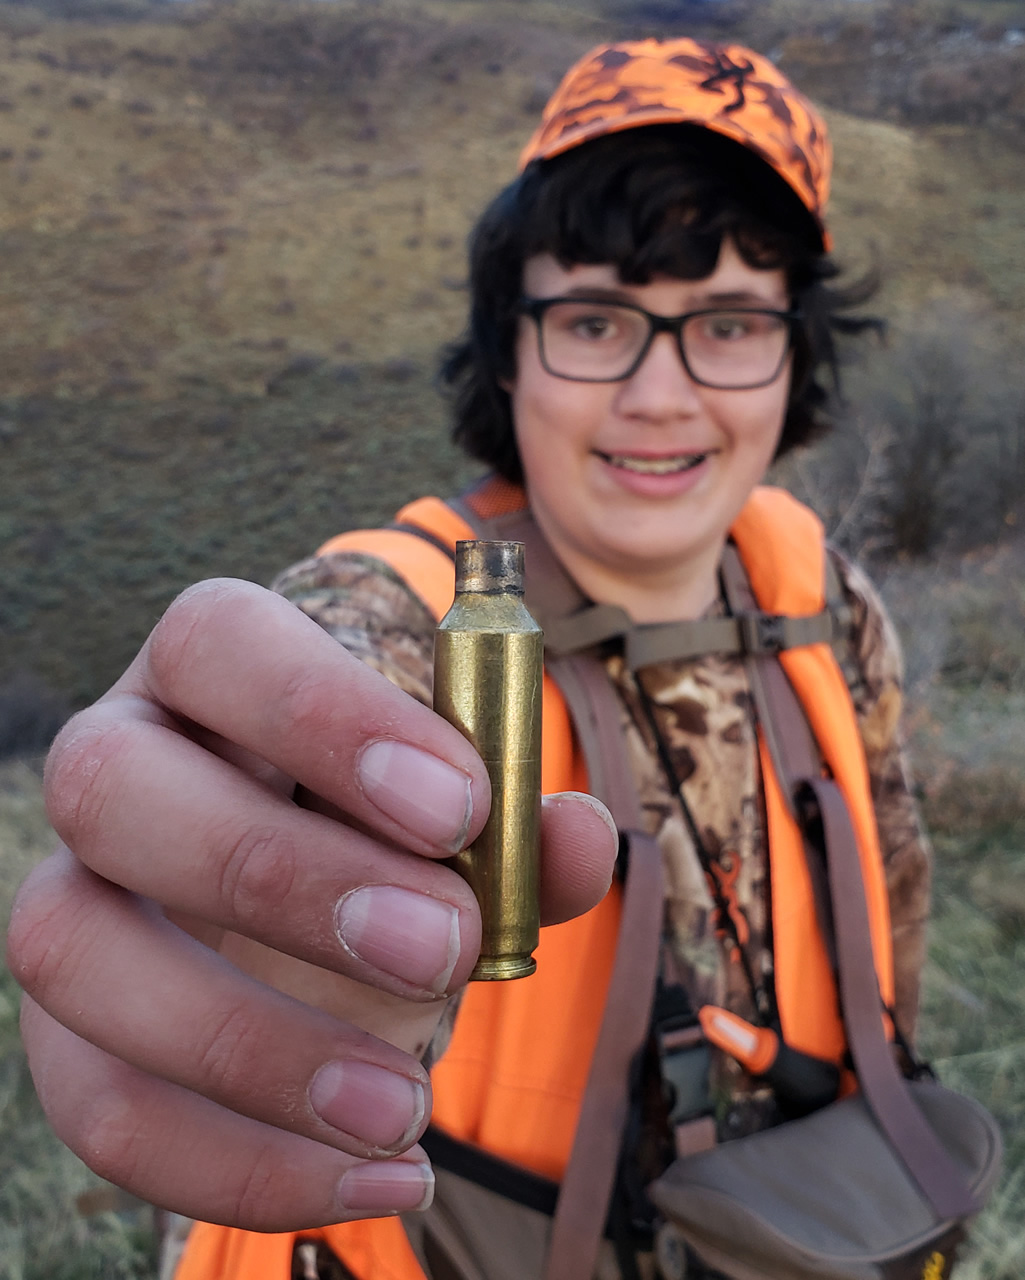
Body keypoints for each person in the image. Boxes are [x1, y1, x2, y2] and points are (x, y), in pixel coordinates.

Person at [8, 37, 933, 1280]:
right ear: (509, 348)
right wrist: (187, 859)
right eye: (595, 320)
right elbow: (310, 670)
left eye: (725, 324)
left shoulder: (829, 606)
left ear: (794, 353)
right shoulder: (410, 617)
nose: (659, 395)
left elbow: (894, 933)